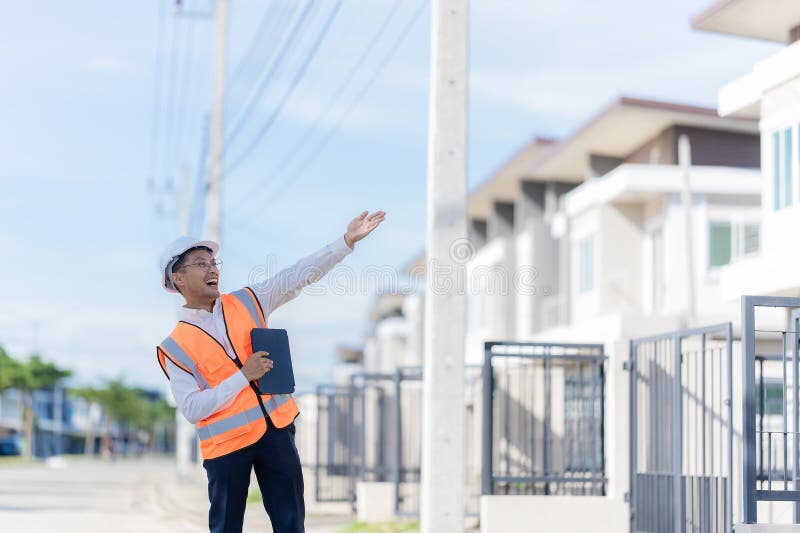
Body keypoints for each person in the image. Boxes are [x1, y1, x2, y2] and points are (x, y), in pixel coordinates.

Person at [156, 210, 385, 533]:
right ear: (177, 278)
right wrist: (243, 376)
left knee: (292, 525)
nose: (212, 269)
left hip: (276, 432)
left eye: (213, 263)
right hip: (225, 447)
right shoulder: (174, 346)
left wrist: (345, 242)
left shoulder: (249, 301)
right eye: (201, 263)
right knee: (225, 528)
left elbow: (296, 276)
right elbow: (193, 408)